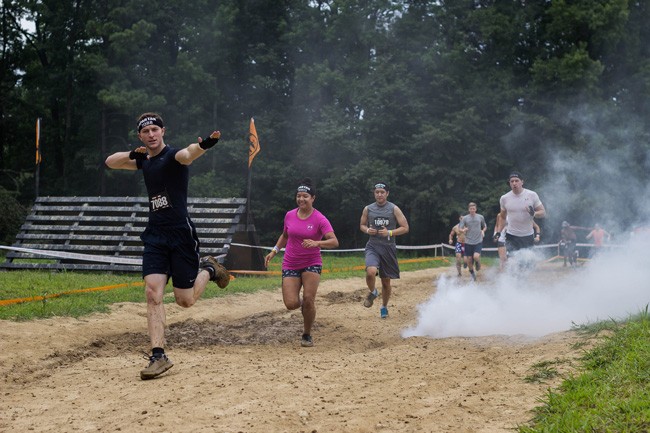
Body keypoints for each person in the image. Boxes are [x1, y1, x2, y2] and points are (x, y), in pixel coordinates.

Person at [105, 112, 230, 380]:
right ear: (140, 136)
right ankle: (158, 355)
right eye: (145, 131)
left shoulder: (173, 156)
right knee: (152, 293)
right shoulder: (143, 162)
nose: (151, 135)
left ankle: (208, 268)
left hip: (181, 235)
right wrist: (133, 154)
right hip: (155, 235)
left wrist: (205, 145)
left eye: (155, 130)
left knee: (185, 301)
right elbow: (110, 162)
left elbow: (188, 154)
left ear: (163, 131)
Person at [264, 178, 338, 347]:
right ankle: (306, 305)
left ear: (313, 198)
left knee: (309, 298)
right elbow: (285, 235)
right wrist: (274, 251)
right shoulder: (289, 215)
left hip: (312, 262)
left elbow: (334, 241)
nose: (301, 199)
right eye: (298, 196)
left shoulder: (320, 219)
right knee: (291, 304)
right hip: (290, 262)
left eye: (305, 196)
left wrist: (317, 243)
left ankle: (307, 333)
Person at [360, 182, 409, 318]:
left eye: (382, 192)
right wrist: (367, 229)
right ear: (374, 193)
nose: (379, 194)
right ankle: (373, 291)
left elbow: (405, 227)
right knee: (371, 271)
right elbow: (362, 225)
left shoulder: (394, 209)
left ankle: (384, 307)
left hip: (388, 248)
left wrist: (390, 233)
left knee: (386, 282)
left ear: (387, 193)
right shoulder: (368, 209)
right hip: (373, 245)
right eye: (377, 192)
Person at [495, 171, 546, 258]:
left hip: (528, 236)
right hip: (511, 236)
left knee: (526, 264)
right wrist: (498, 232)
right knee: (512, 263)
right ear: (509, 183)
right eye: (512, 181)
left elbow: (543, 213)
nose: (514, 183)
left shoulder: (532, 195)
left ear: (522, 182)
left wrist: (534, 213)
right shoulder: (504, 198)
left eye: (516, 181)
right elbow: (502, 217)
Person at [459, 202, 486, 281]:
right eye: (471, 209)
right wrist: (463, 230)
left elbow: (484, 226)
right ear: (468, 209)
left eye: (473, 209)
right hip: (468, 242)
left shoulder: (480, 217)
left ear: (476, 209)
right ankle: (473, 274)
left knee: (476, 256)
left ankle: (477, 263)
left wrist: (483, 231)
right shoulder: (465, 218)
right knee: (469, 260)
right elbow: (460, 228)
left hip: (478, 240)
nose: (472, 210)